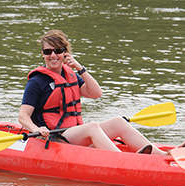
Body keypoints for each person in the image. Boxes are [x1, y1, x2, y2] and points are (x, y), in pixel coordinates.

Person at [18, 30, 168, 155]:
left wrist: (80, 68)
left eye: (58, 51)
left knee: (118, 122)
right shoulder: (36, 81)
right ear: (43, 54)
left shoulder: (71, 75)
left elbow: (96, 93)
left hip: (73, 134)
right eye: (48, 51)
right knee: (92, 127)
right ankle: (123, 161)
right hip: (55, 137)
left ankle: (163, 156)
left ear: (65, 53)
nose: (53, 55)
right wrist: (36, 129)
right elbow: (23, 116)